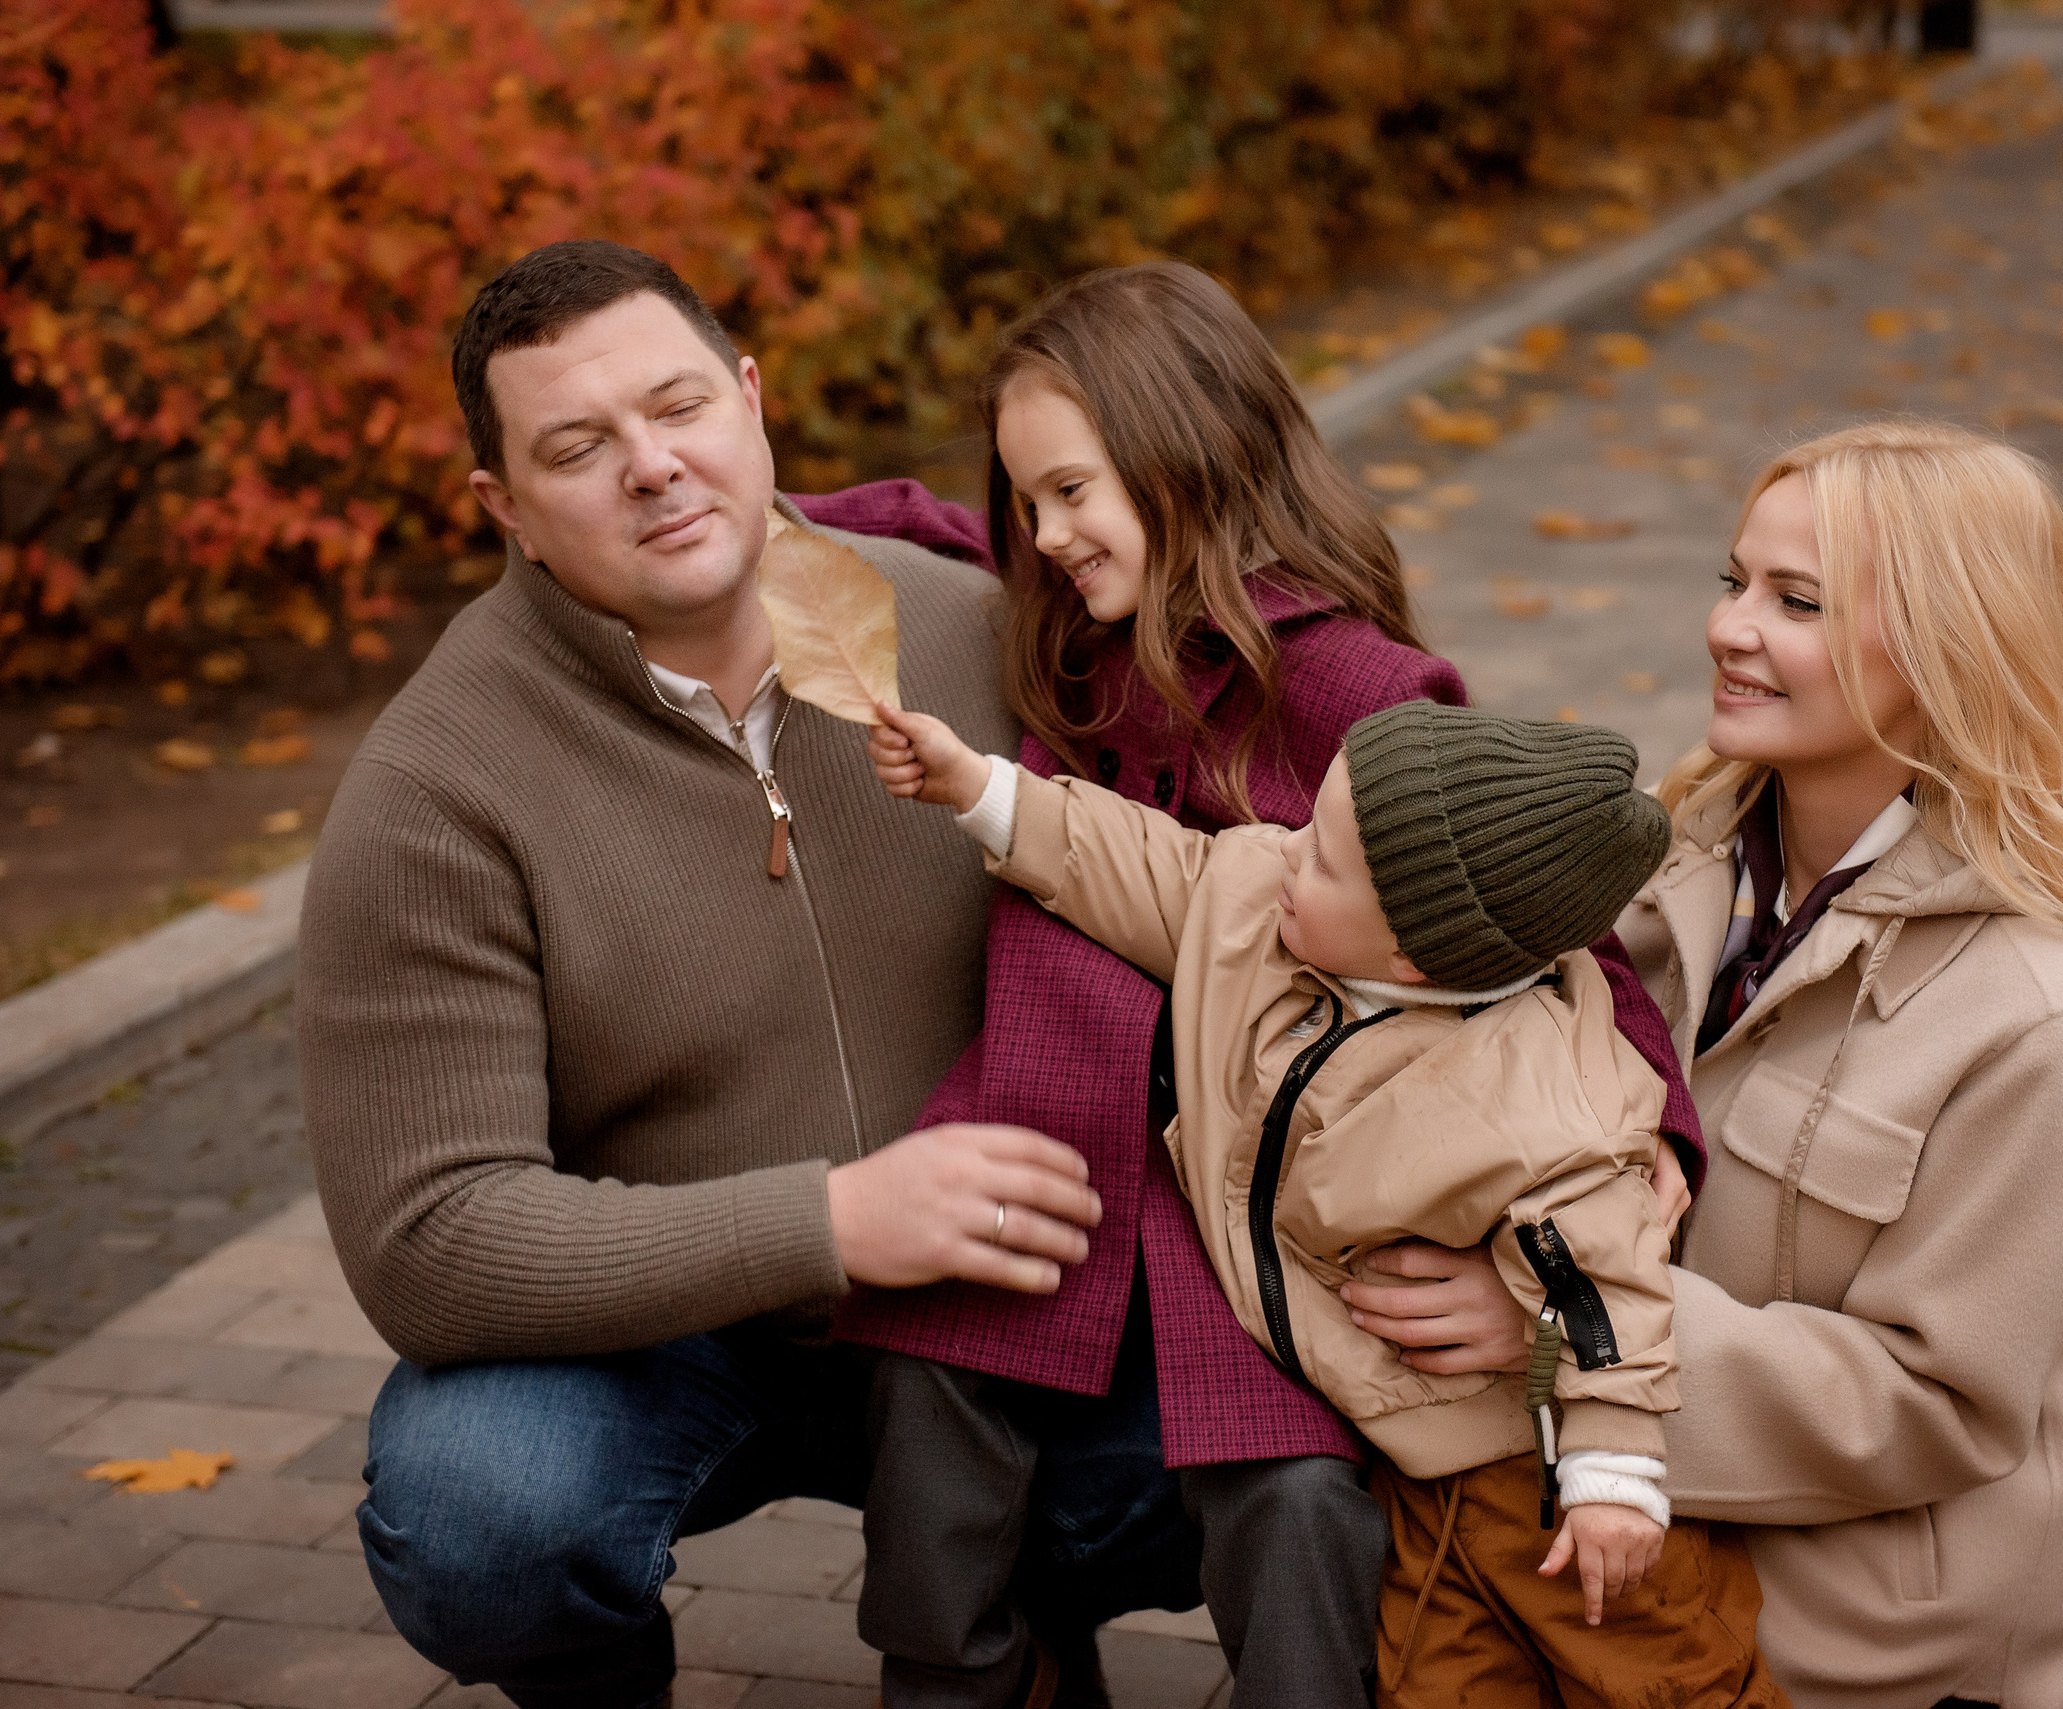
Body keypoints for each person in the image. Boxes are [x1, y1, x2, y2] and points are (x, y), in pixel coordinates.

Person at [829, 261, 1706, 1708]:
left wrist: (1661, 1131)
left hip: (1260, 1190)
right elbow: (928, 524)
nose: (1043, 537)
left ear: (1186, 457)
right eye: (1025, 501)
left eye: (1069, 492)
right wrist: (734, 499)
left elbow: (1550, 932)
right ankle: (971, 1682)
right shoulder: (1072, 630)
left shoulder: (1355, 688)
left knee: (1288, 1492)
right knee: (929, 1396)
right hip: (1049, 1134)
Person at [298, 239, 1127, 1709]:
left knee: (1298, 1420)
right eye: (576, 448)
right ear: (505, 507)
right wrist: (826, 1221)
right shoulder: (436, 787)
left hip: (998, 1296)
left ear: (750, 398)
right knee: (482, 1512)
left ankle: (1033, 1618)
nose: (652, 466)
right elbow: (427, 1237)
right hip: (664, 1332)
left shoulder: (975, 627)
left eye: (679, 407)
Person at [870, 695, 1788, 1709]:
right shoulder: (1261, 909)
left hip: (1501, 1457)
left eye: (1323, 857)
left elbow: (1601, 1290)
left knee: (1650, 1674)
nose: (1284, 847)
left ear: (1412, 957)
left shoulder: (1541, 1106)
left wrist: (1612, 1478)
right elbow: (1138, 863)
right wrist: (979, 788)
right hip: (1378, 1430)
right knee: (1429, 1680)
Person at [1616, 419, 2063, 1709]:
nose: (1728, 627)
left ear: (1944, 647)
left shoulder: (2037, 1015)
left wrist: (1563, 1333)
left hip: (1863, 1631)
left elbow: (1940, 1400)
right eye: (1733, 581)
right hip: (1641, 1511)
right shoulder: (1682, 863)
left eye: (1795, 601)